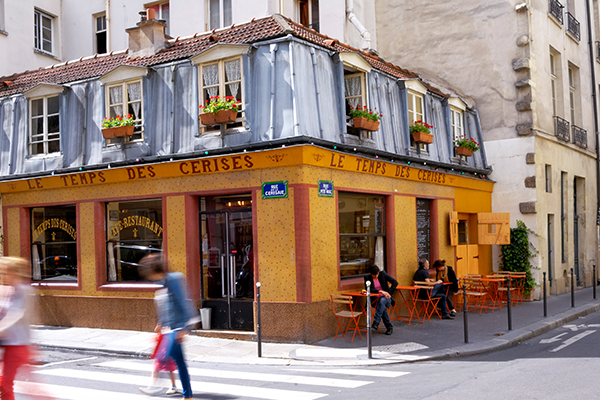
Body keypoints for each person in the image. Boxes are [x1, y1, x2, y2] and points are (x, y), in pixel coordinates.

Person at [138, 254, 199, 400]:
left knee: (164, 356)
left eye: (149, 273)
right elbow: (167, 306)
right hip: (171, 327)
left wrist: (184, 328)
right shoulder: (164, 282)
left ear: (154, 270)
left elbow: (183, 303)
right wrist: (161, 323)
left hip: (177, 327)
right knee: (178, 361)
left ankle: (159, 384)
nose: (149, 277)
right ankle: (187, 395)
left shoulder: (174, 280)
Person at [0, 257, 34, 400]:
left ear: (14, 272)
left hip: (17, 345)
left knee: (5, 384)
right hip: (7, 344)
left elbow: (18, 314)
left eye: (5, 272)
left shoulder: (24, 291)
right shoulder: (7, 290)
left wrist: (1, 329)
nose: (3, 275)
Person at [364, 264, 397, 335]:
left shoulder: (383, 274)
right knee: (382, 307)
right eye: (374, 275)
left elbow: (395, 282)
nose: (376, 276)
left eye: (377, 274)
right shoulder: (367, 277)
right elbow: (368, 289)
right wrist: (380, 291)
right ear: (370, 274)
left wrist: (389, 293)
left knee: (382, 301)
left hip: (386, 299)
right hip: (375, 300)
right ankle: (389, 327)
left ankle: (376, 321)